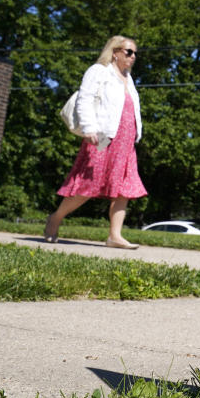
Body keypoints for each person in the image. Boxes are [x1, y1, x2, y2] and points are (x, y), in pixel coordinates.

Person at [43, 36, 147, 249]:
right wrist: (89, 127)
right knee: (87, 184)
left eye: (135, 53)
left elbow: (131, 109)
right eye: (129, 52)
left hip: (125, 141)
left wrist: (136, 133)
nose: (133, 56)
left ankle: (114, 236)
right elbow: (85, 98)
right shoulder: (99, 71)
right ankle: (56, 217)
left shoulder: (129, 78)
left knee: (123, 189)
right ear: (115, 52)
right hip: (102, 136)